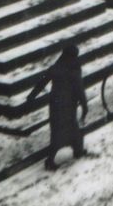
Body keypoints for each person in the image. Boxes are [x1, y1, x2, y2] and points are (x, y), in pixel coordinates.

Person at [24, 42, 87, 170]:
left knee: (59, 131)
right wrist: (84, 105)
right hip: (69, 104)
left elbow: (42, 81)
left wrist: (31, 96)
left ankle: (77, 149)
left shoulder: (56, 67)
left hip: (56, 104)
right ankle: (52, 160)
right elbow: (79, 88)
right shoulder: (74, 68)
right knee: (70, 128)